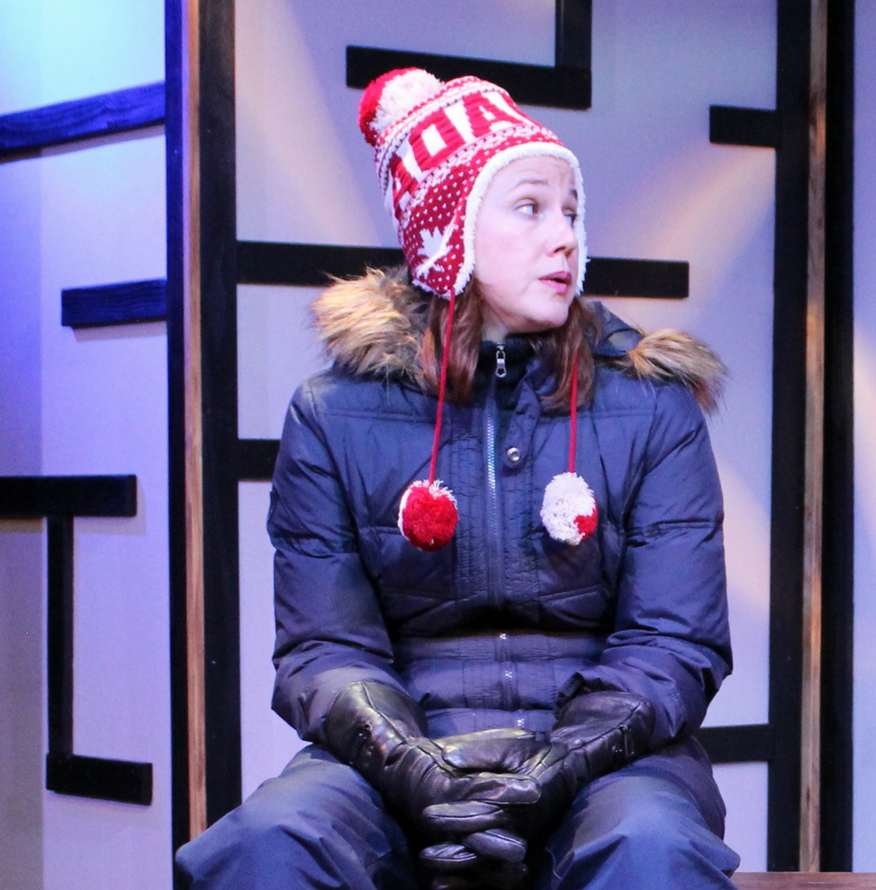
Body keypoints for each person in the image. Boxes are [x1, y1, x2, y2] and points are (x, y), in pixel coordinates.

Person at [175, 68, 739, 890]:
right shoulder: (334, 414)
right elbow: (324, 648)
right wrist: (413, 770)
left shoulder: (651, 407)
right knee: (270, 841)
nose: (565, 239)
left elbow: (672, 642)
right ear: (451, 234)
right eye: (529, 208)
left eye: (571, 213)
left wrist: (559, 764)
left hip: (608, 764)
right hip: (399, 754)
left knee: (651, 849)